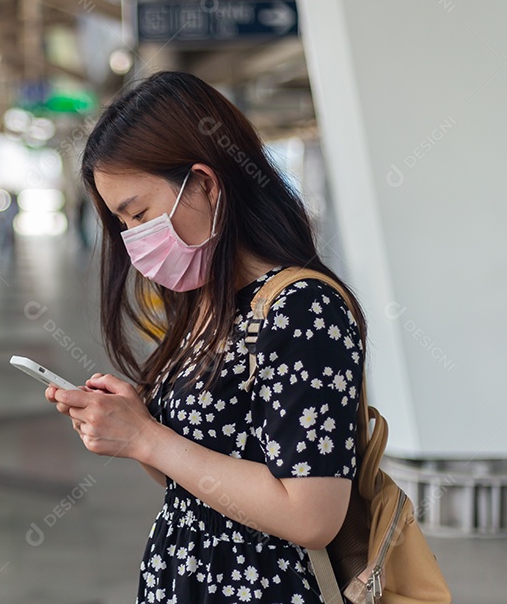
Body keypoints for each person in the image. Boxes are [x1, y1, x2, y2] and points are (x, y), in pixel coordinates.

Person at [45, 71, 367, 603]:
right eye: (123, 224)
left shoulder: (302, 309)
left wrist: (149, 438)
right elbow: (201, 480)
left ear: (205, 184)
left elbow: (312, 515)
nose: (132, 240)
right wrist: (137, 428)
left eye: (139, 214)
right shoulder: (210, 303)